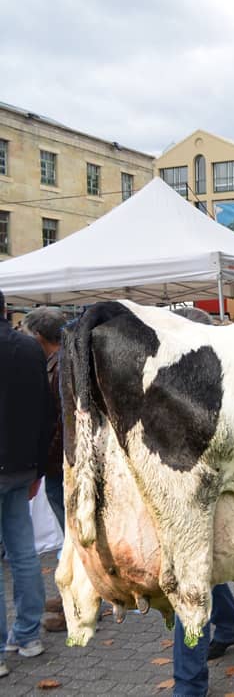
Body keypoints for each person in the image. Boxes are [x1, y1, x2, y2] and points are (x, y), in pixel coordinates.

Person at [170, 307, 234, 697]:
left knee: (191, 580)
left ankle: (189, 684)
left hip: (206, 493)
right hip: (200, 493)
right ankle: (231, 625)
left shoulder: (212, 380)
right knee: (200, 570)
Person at [0, 290, 52, 677]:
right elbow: (44, 410)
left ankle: (9, 644)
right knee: (22, 551)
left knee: (21, 551)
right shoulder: (29, 349)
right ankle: (28, 635)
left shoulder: (28, 348)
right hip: (21, 465)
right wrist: (36, 467)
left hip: (20, 466)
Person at [20, 306, 69, 633]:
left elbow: (59, 424)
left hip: (62, 464)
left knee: (75, 538)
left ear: (39, 335)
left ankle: (76, 605)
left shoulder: (61, 366)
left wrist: (43, 464)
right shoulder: (62, 361)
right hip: (63, 462)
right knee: (73, 536)